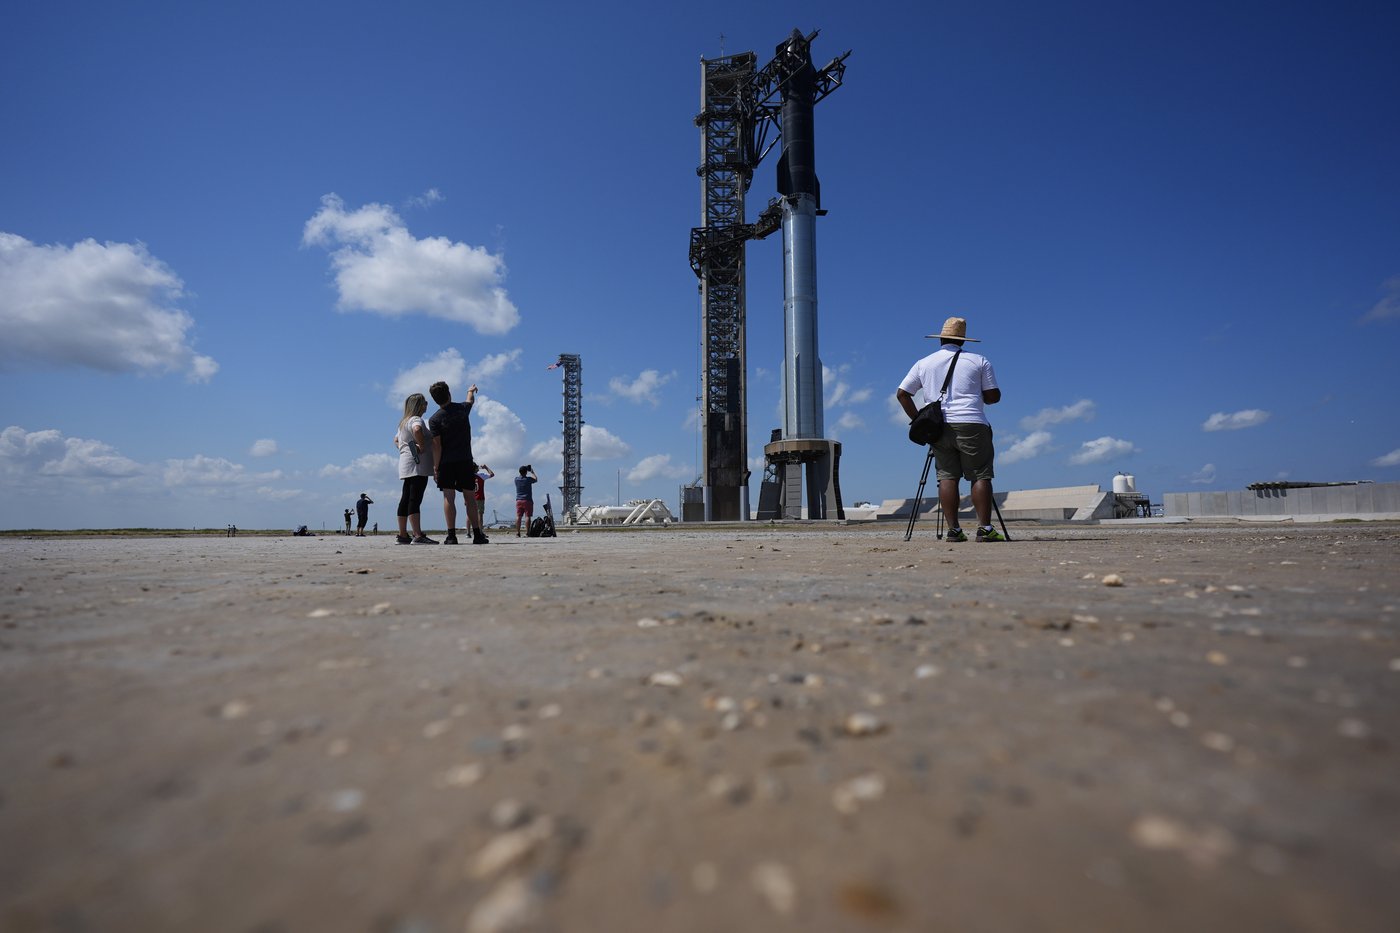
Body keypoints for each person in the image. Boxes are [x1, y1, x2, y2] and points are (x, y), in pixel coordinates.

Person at [895, 316, 1004, 542]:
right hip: (972, 423)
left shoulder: (923, 363)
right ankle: (984, 529)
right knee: (980, 475)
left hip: (939, 427)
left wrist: (918, 421)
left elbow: (902, 394)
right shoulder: (979, 361)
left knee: (947, 477)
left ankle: (954, 530)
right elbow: (993, 397)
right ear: (963, 341)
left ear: (941, 339)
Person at [428, 381, 489, 545]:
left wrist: (436, 467)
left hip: (446, 463)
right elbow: (470, 401)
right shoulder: (461, 409)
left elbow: (437, 446)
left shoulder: (434, 419)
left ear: (435, 400)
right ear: (449, 394)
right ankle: (477, 535)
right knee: (470, 498)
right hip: (465, 460)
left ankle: (451, 536)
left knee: (449, 497)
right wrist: (471, 390)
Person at [393, 393, 436, 544]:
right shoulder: (416, 420)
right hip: (418, 465)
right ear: (419, 405)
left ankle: (403, 535)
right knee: (415, 498)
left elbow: (396, 440)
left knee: (405, 498)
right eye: (425, 402)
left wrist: (404, 449)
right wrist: (422, 447)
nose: (427, 404)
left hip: (405, 463)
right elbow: (417, 430)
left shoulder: (403, 422)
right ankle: (418, 534)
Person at [514, 464, 538, 537]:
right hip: (527, 500)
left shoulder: (516, 479)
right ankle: (527, 532)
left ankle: (518, 533)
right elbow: (536, 479)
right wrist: (532, 472)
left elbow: (521, 475)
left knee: (518, 516)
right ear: (526, 472)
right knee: (527, 516)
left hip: (518, 500)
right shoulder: (528, 479)